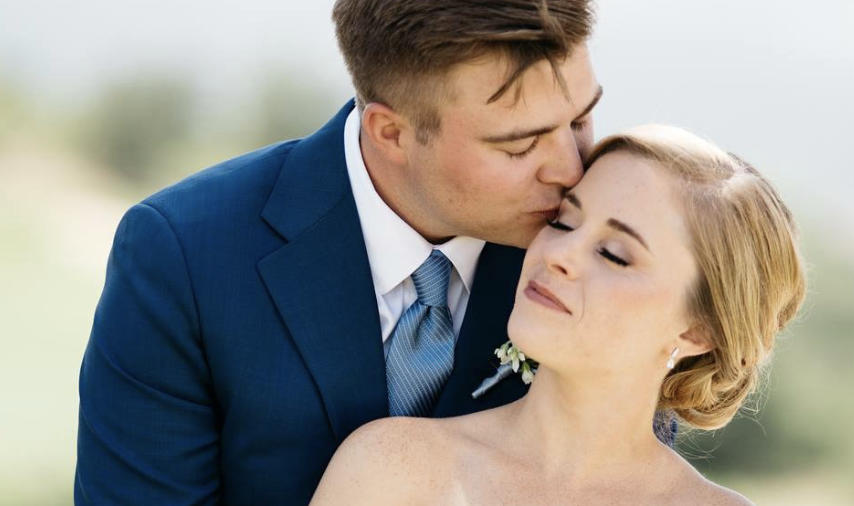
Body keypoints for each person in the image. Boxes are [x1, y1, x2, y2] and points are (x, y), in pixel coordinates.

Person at [75, 1, 603, 503]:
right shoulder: (181, 256)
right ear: (391, 133)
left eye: (580, 121)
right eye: (519, 145)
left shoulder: (612, 259)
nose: (571, 171)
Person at [310, 125, 807, 505]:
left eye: (614, 253)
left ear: (699, 330)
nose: (558, 253)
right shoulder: (394, 471)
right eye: (564, 221)